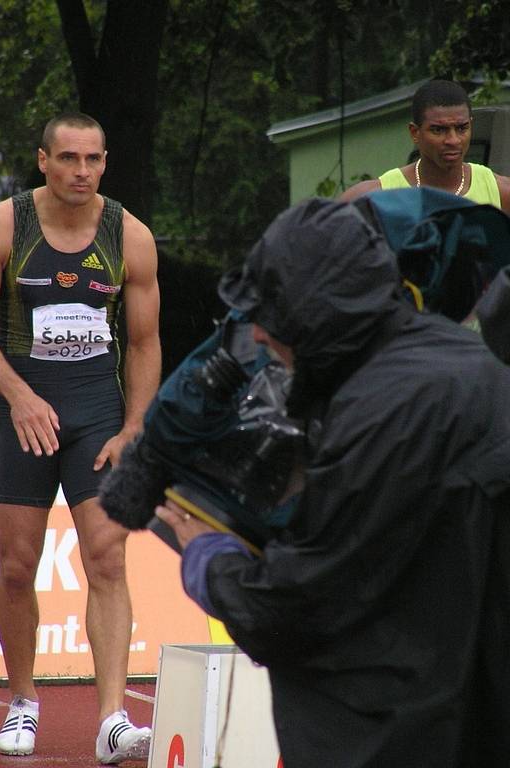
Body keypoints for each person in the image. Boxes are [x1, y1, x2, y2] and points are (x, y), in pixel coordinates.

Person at [153, 196, 510, 767]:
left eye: (271, 313)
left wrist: (209, 558)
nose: (260, 337)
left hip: (412, 730)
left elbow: (295, 610)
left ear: (315, 309)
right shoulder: (467, 362)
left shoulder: (379, 411)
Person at [0, 112, 161, 764]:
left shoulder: (128, 234)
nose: (81, 171)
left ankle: (109, 719)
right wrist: (18, 395)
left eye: (93, 159)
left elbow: (146, 341)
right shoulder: (0, 225)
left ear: (105, 162)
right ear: (42, 160)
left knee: (106, 556)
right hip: (25, 410)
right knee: (17, 565)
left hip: (97, 410)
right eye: (68, 158)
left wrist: (134, 427)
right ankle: (21, 699)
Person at [339, 78, 510, 213]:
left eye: (461, 128)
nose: (453, 140)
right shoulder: (375, 198)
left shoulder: (499, 192)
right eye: (438, 130)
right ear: (415, 132)